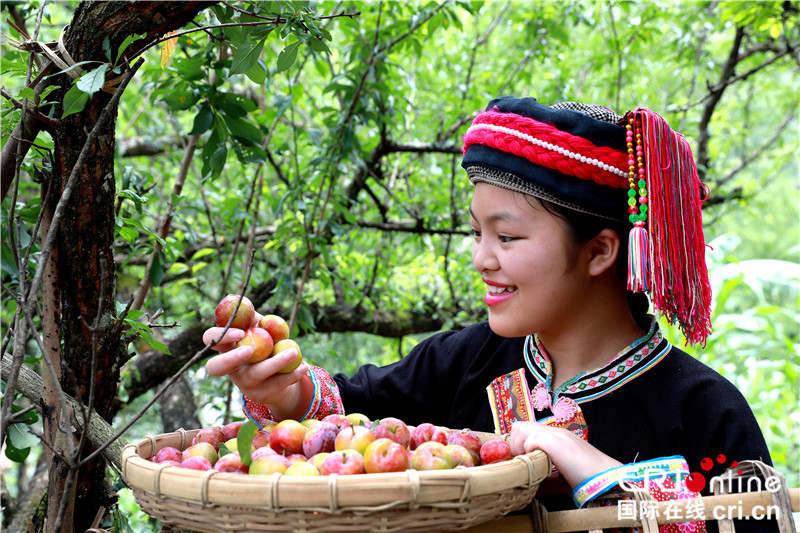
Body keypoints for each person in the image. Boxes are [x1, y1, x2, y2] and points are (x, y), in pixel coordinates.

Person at [202, 96, 773, 531]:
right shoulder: (460, 362)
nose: (481, 259)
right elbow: (342, 420)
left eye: (506, 235)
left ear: (600, 250)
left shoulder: (703, 410)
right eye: (477, 232)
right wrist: (280, 388)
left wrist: (583, 460)